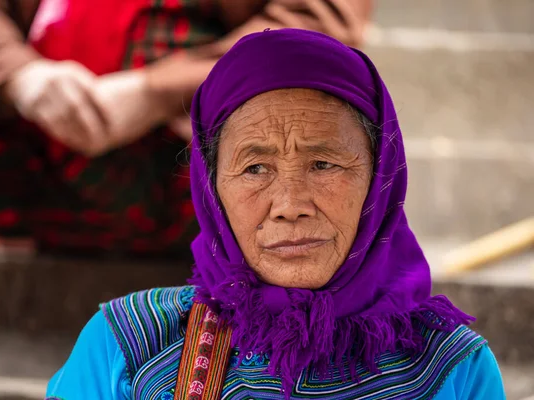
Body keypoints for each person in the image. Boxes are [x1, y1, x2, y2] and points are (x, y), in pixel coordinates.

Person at [45, 29, 505, 399]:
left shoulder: (454, 368)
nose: (289, 206)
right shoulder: (129, 346)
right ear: (212, 189)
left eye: (323, 164)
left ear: (380, 175)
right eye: (255, 168)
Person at [0, 0, 372, 256]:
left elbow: (318, 25)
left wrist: (154, 92)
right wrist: (22, 79)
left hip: (179, 162)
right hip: (33, 143)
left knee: (282, 87)